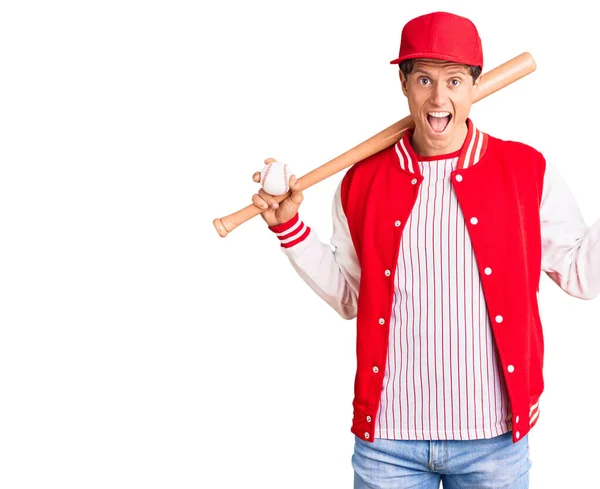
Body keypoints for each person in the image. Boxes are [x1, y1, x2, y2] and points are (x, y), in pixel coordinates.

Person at [250, 11, 600, 489]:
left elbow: (583, 276)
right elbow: (350, 295)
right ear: (403, 84)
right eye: (424, 80)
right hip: (387, 445)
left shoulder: (526, 171)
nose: (439, 98)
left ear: (475, 86)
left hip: (494, 439)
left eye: (454, 80)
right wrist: (288, 226)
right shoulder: (362, 181)